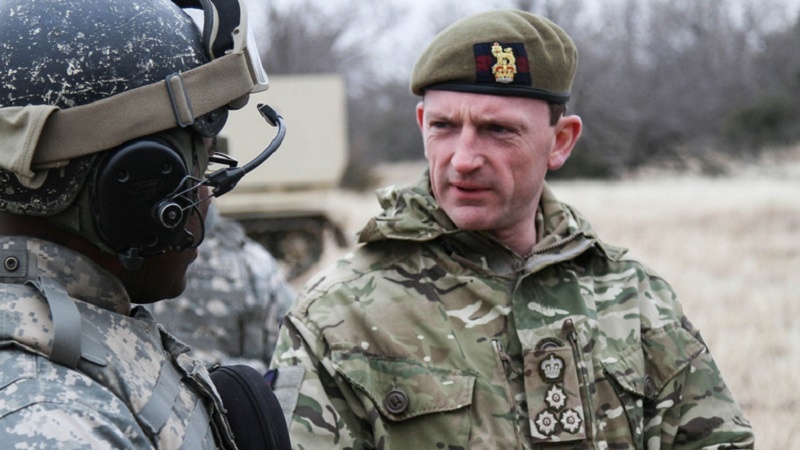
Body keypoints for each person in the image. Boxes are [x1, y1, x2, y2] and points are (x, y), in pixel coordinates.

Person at [268, 9, 755, 449]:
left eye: (498, 130)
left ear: (560, 142)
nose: (463, 159)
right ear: (421, 124)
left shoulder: (635, 299)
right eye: (443, 126)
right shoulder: (338, 315)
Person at [0, 0, 289, 448]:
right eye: (200, 167)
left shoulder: (78, 349)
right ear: (136, 180)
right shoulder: (54, 421)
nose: (206, 195)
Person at [151, 204, 294, 373]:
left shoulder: (149, 257)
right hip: (236, 382)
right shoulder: (255, 261)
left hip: (162, 379)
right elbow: (286, 354)